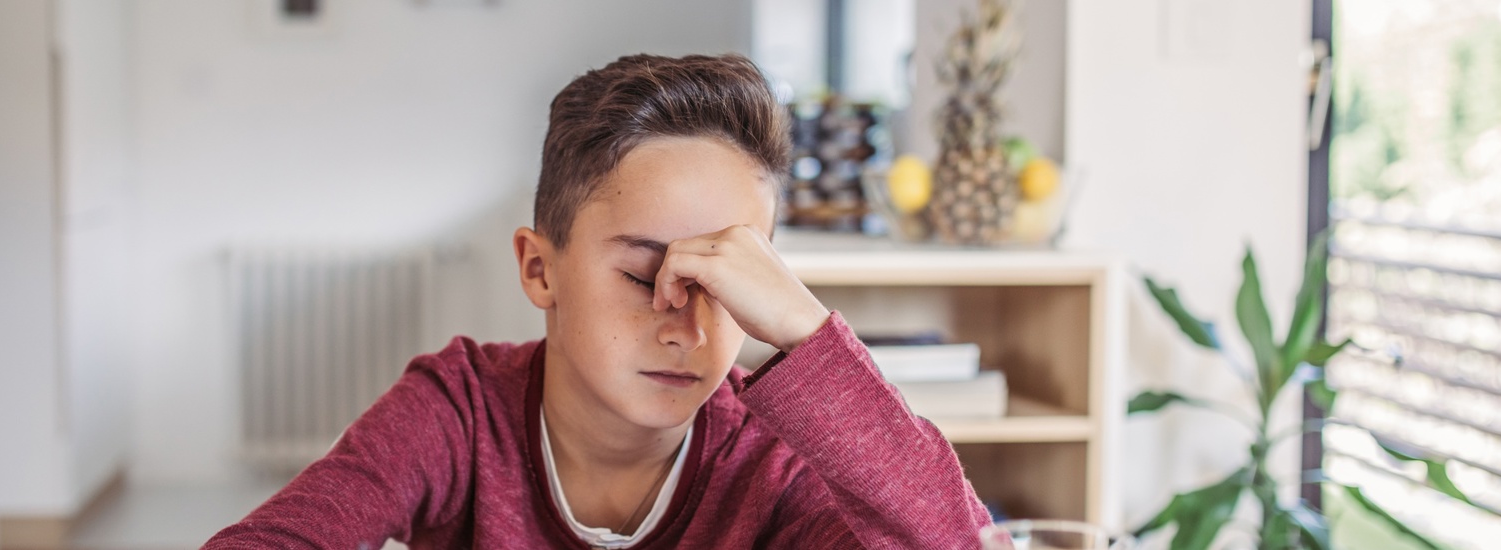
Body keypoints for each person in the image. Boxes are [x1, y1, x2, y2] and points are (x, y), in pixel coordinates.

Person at [203, 53, 991, 549]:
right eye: (645, 277)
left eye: (727, 289)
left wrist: (809, 333)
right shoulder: (459, 411)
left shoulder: (769, 460)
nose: (686, 330)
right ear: (539, 269)